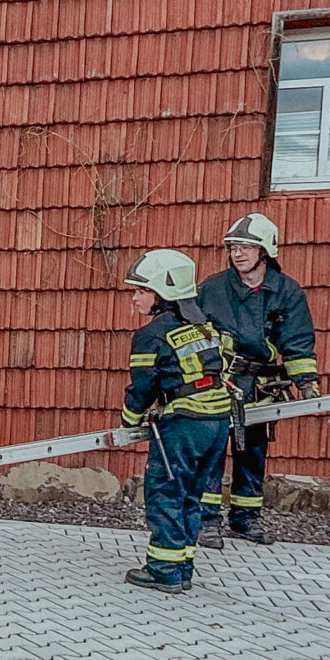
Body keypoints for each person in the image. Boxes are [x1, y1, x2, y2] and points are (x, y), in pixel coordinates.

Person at [196, 213, 318, 545]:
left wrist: (306, 383)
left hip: (260, 385)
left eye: (246, 248)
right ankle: (206, 521)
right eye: (233, 247)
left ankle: (246, 519)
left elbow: (297, 341)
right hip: (219, 381)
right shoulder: (212, 288)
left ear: (265, 251)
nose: (237, 254)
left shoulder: (286, 292)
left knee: (252, 452)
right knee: (212, 450)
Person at [119, 249, 235, 594]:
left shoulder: (151, 335)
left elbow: (142, 388)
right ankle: (183, 567)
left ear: (162, 293)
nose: (135, 297)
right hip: (218, 421)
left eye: (141, 290)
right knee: (191, 495)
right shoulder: (205, 328)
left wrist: (129, 422)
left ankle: (164, 570)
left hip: (183, 425)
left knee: (166, 492)